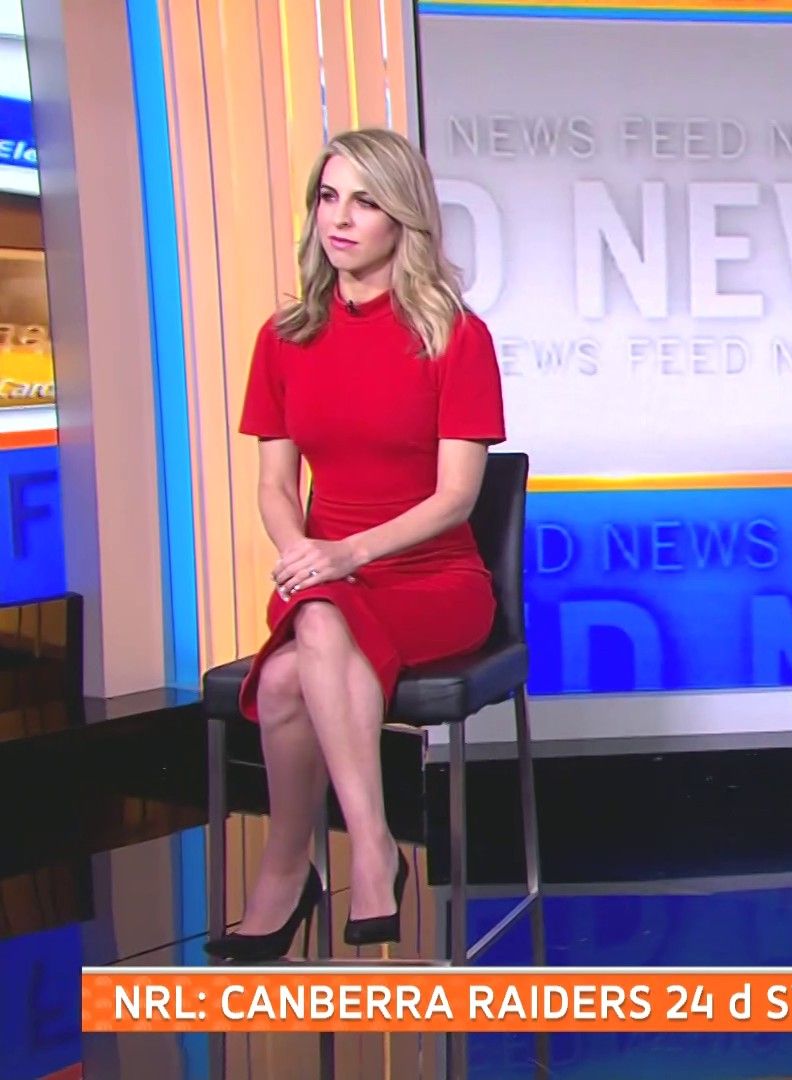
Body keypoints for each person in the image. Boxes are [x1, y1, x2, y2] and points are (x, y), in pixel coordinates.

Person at [204, 128, 506, 962]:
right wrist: (303, 553)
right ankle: (352, 853)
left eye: (365, 202)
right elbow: (275, 486)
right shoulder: (283, 339)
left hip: (432, 580)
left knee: (308, 641)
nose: (339, 219)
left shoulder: (454, 335)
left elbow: (456, 498)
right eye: (328, 198)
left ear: (402, 217)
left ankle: (319, 859)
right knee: (300, 651)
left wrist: (345, 556)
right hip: (326, 582)